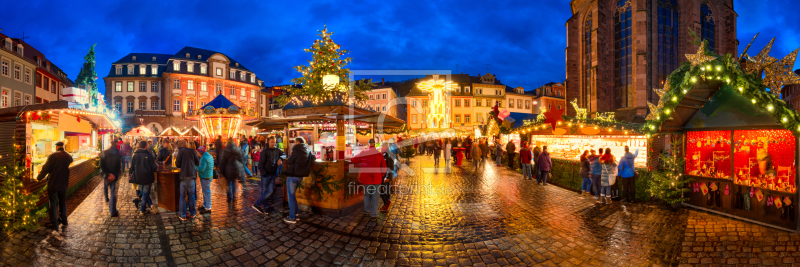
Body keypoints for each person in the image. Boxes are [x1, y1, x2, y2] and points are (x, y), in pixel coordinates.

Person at [37, 141, 73, 229]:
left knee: (52, 203)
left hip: (54, 183)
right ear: (63, 147)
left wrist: (39, 178)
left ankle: (54, 224)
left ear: (56, 147)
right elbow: (70, 162)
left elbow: (45, 168)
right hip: (64, 182)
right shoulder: (68, 155)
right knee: (62, 201)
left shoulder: (53, 156)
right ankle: (64, 220)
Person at [351, 139, 386, 219]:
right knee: (376, 197)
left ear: (368, 144)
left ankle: (367, 211)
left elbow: (353, 159)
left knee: (367, 195)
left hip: (366, 178)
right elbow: (384, 167)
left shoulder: (363, 152)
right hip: (376, 178)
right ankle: (374, 214)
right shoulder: (379, 154)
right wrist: (381, 175)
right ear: (374, 144)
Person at [283, 137, 314, 224]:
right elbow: (314, 158)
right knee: (293, 196)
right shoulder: (308, 151)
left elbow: (289, 161)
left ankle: (292, 217)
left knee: (291, 196)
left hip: (292, 176)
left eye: (294, 142)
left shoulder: (296, 150)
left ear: (297, 142)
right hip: (300, 177)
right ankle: (296, 214)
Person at [253, 136, 286, 214]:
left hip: (272, 174)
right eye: (272, 142)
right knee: (264, 191)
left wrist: (281, 158)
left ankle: (257, 204)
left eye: (274, 142)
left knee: (270, 191)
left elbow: (284, 154)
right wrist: (264, 173)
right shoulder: (264, 152)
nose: (273, 143)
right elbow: (260, 164)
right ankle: (266, 207)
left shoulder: (277, 151)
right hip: (266, 174)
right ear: (268, 142)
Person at [129, 141, 158, 215]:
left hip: (138, 177)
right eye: (147, 145)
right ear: (145, 146)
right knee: (145, 194)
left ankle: (142, 204)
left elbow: (132, 167)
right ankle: (142, 210)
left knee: (143, 193)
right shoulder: (149, 155)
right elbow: (154, 167)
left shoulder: (135, 155)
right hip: (147, 177)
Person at [175, 140, 200, 220]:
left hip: (183, 177)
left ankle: (183, 215)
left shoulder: (181, 152)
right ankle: (192, 213)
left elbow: (177, 164)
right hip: (191, 177)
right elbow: (197, 162)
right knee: (191, 196)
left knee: (182, 197)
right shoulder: (193, 152)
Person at [100, 139, 122, 217]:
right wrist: (114, 175)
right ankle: (112, 211)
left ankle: (106, 198)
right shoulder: (117, 154)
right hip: (114, 176)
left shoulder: (104, 153)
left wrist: (107, 174)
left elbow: (101, 166)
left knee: (106, 187)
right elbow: (119, 167)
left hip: (106, 175)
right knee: (113, 193)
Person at [219, 137, 244, 202]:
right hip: (235, 168)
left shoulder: (225, 150)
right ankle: (234, 196)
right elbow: (241, 159)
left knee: (229, 183)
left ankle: (229, 196)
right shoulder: (237, 149)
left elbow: (222, 161)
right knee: (234, 182)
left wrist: (221, 171)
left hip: (228, 169)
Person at [379, 143, 395, 212]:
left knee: (386, 191)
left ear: (385, 147)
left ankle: (387, 205)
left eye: (381, 147)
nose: (380, 148)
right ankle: (387, 203)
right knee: (380, 189)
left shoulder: (389, 155)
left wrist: (387, 176)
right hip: (382, 175)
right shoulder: (382, 154)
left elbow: (390, 167)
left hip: (386, 176)